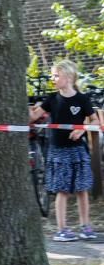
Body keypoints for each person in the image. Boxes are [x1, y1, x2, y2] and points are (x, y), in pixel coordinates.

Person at [29, 59, 98, 241]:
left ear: (67, 77)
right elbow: (33, 116)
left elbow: (95, 120)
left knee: (82, 189)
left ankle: (85, 226)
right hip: (58, 151)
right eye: (52, 75)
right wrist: (24, 106)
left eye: (56, 75)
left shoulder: (82, 99)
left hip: (78, 150)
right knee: (62, 190)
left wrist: (81, 129)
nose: (52, 79)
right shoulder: (52, 99)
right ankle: (62, 230)